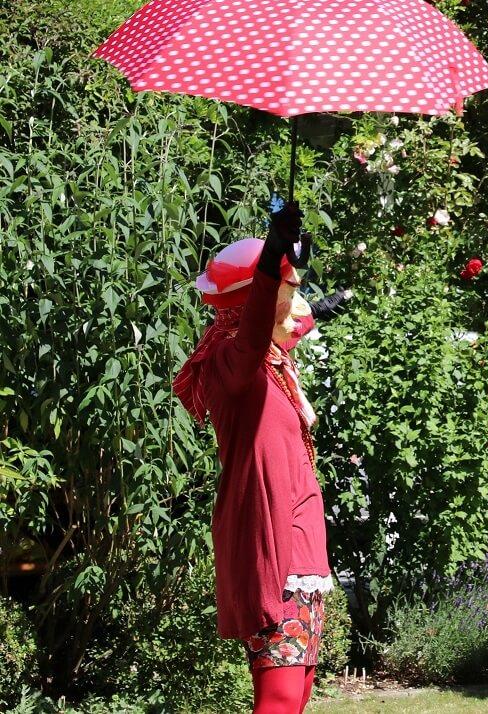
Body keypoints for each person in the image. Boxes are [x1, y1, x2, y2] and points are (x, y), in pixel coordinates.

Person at [173, 203, 331, 714]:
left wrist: (315, 304)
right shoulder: (232, 363)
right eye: (289, 296)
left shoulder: (272, 363)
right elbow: (261, 320)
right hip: (275, 550)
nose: (296, 307)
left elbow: (280, 328)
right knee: (280, 696)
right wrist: (270, 257)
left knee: (297, 688)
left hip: (302, 551)